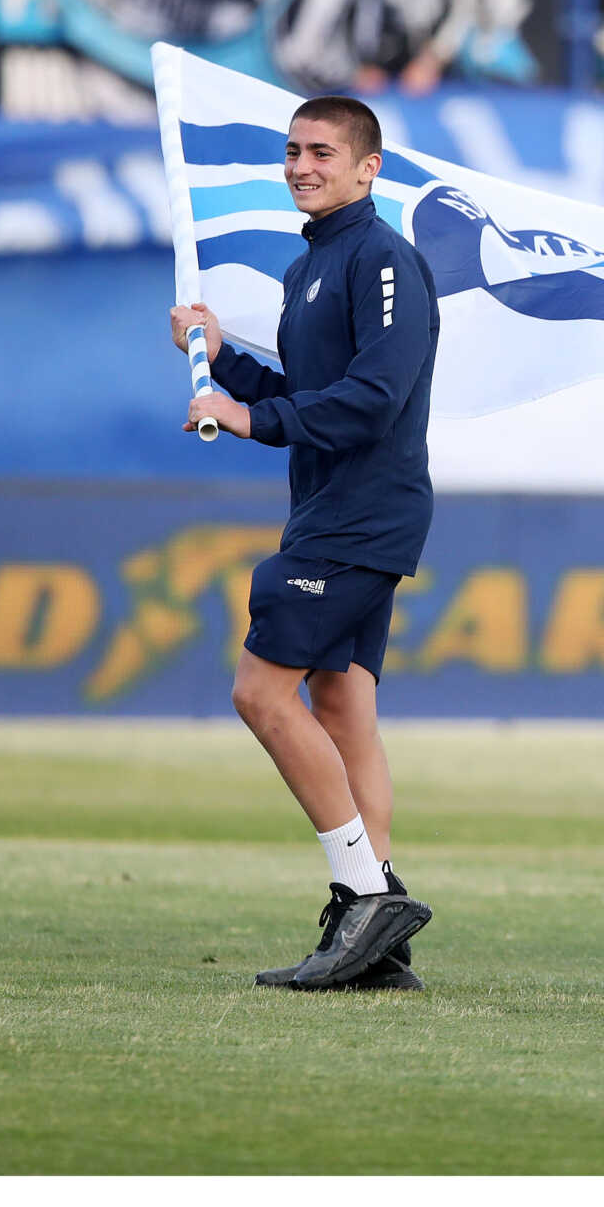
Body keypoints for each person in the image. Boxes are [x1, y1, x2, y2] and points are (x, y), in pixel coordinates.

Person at [175, 95, 441, 994]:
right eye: (291, 151)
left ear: (368, 167)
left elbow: (373, 395)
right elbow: (313, 385)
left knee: (260, 690)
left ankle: (367, 894)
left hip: (364, 513)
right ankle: (379, 936)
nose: (300, 165)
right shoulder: (311, 266)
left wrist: (248, 417)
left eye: (321, 151)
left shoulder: (384, 257)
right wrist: (225, 358)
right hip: (332, 508)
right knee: (342, 699)